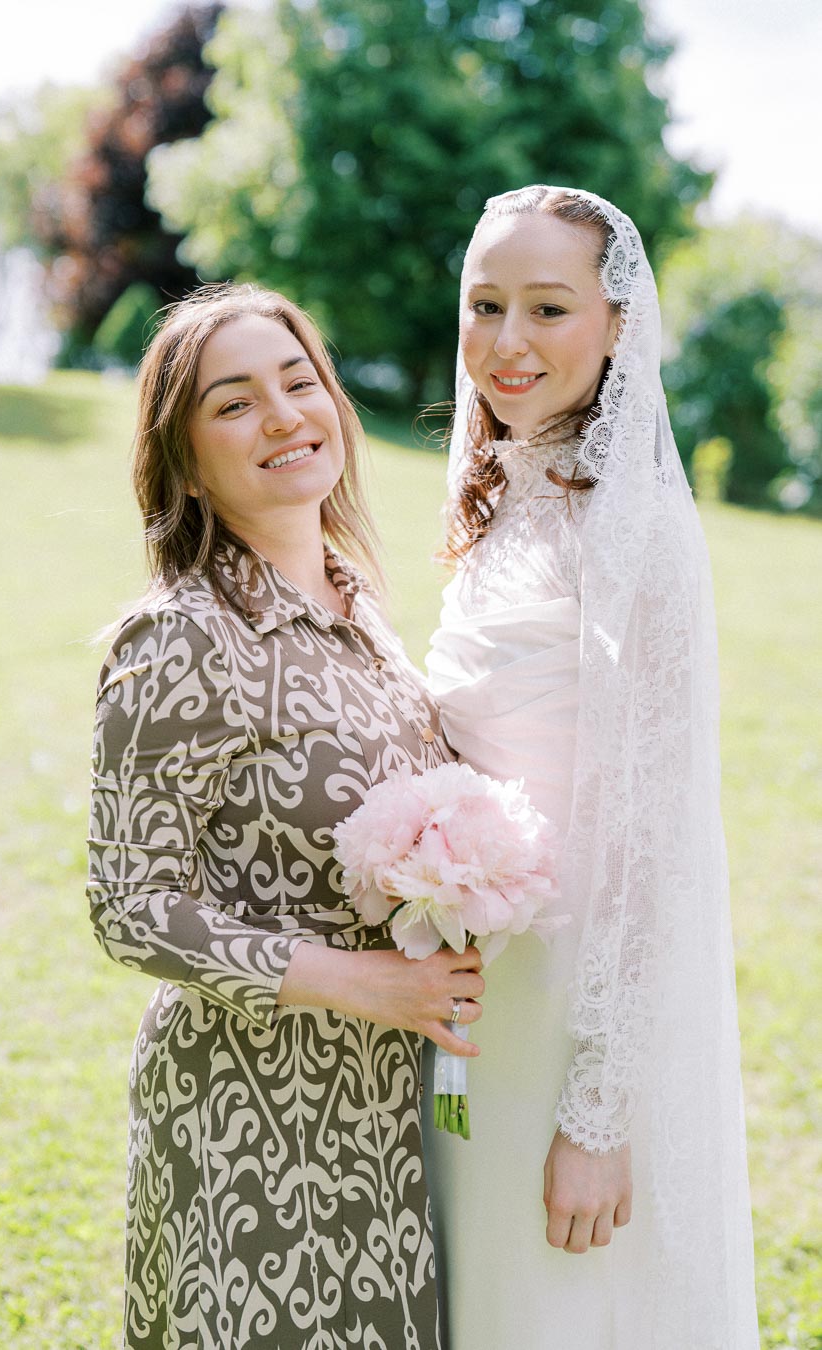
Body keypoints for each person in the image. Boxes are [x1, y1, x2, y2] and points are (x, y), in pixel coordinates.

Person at [86, 283, 485, 1350]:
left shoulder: (363, 610)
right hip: (249, 1115)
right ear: (182, 460)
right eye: (233, 403)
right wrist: (374, 985)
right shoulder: (179, 641)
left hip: (385, 1106)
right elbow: (129, 908)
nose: (282, 415)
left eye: (298, 381)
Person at [424, 187, 759, 1349]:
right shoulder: (501, 500)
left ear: (616, 325)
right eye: (486, 304)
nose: (507, 344)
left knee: (557, 1305)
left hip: (576, 998)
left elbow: (655, 831)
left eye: (548, 309)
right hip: (475, 977)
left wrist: (600, 1112)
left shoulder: (640, 535)